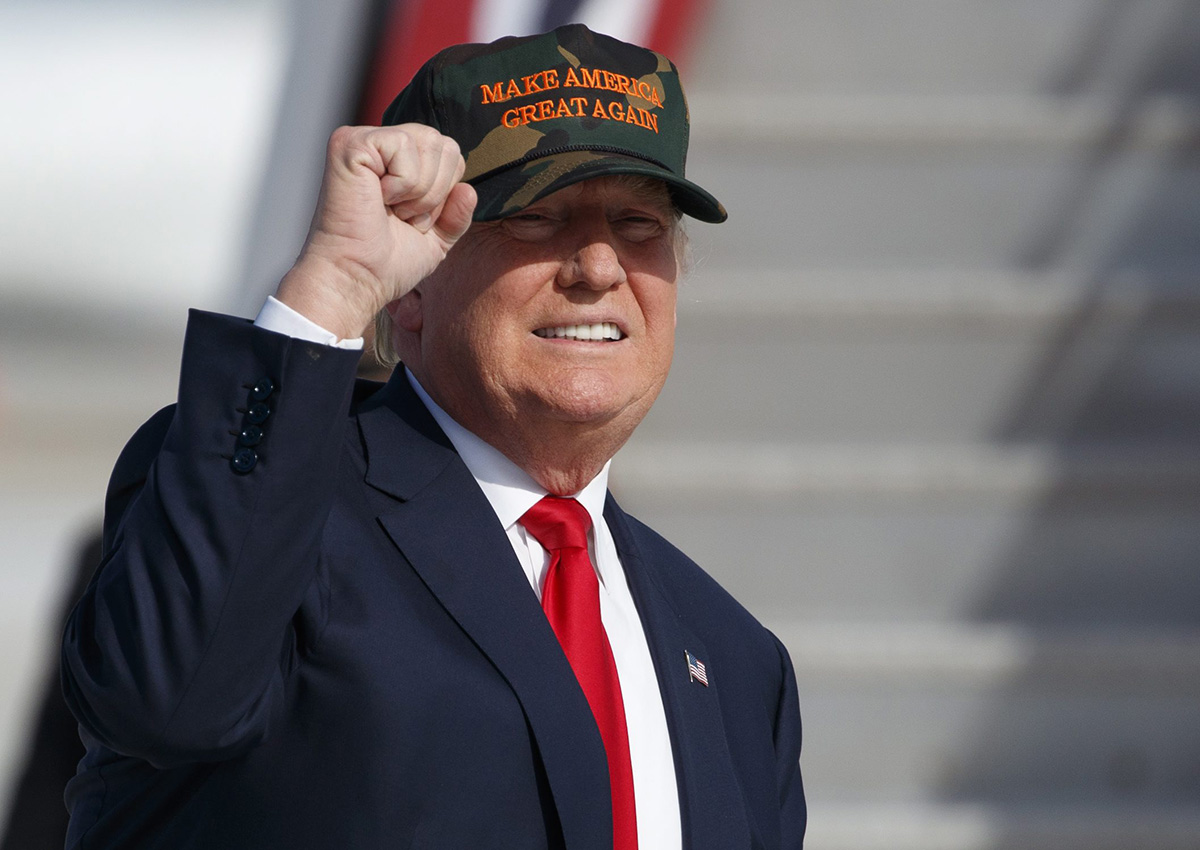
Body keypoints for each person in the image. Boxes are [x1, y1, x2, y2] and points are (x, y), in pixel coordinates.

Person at [61, 24, 805, 849]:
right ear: (411, 286)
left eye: (639, 224)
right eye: (536, 218)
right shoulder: (276, 519)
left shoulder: (737, 663)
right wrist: (334, 288)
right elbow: (165, 699)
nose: (598, 267)